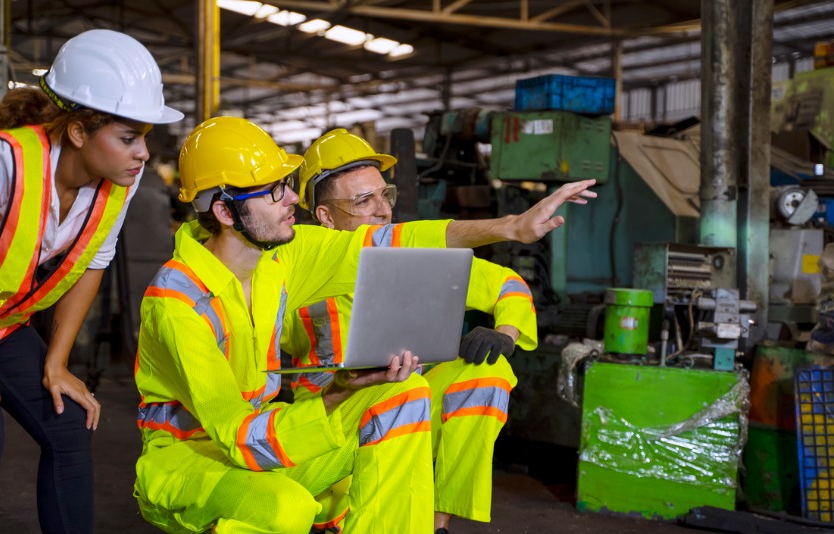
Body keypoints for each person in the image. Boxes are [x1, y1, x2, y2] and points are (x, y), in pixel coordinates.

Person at [132, 116, 596, 533]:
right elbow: (238, 439)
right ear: (225, 211)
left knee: (402, 394)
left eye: (288, 183)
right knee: (286, 508)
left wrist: (512, 226)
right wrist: (338, 395)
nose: (292, 197)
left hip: (270, 433)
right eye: (275, 190)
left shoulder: (281, 259)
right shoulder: (178, 303)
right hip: (193, 457)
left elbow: (402, 241)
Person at [0, 29, 183, 534]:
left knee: (68, 425)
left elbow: (94, 265)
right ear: (77, 133)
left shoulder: (118, 184)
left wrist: (56, 363)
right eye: (128, 137)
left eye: (145, 138)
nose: (142, 154)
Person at [283, 129, 537, 533]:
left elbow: (508, 284)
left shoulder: (414, 258)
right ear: (325, 216)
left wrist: (504, 332)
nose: (382, 210)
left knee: (486, 375)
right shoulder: (293, 270)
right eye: (363, 200)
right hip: (328, 420)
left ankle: (437, 523)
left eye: (385, 196)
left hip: (405, 407)